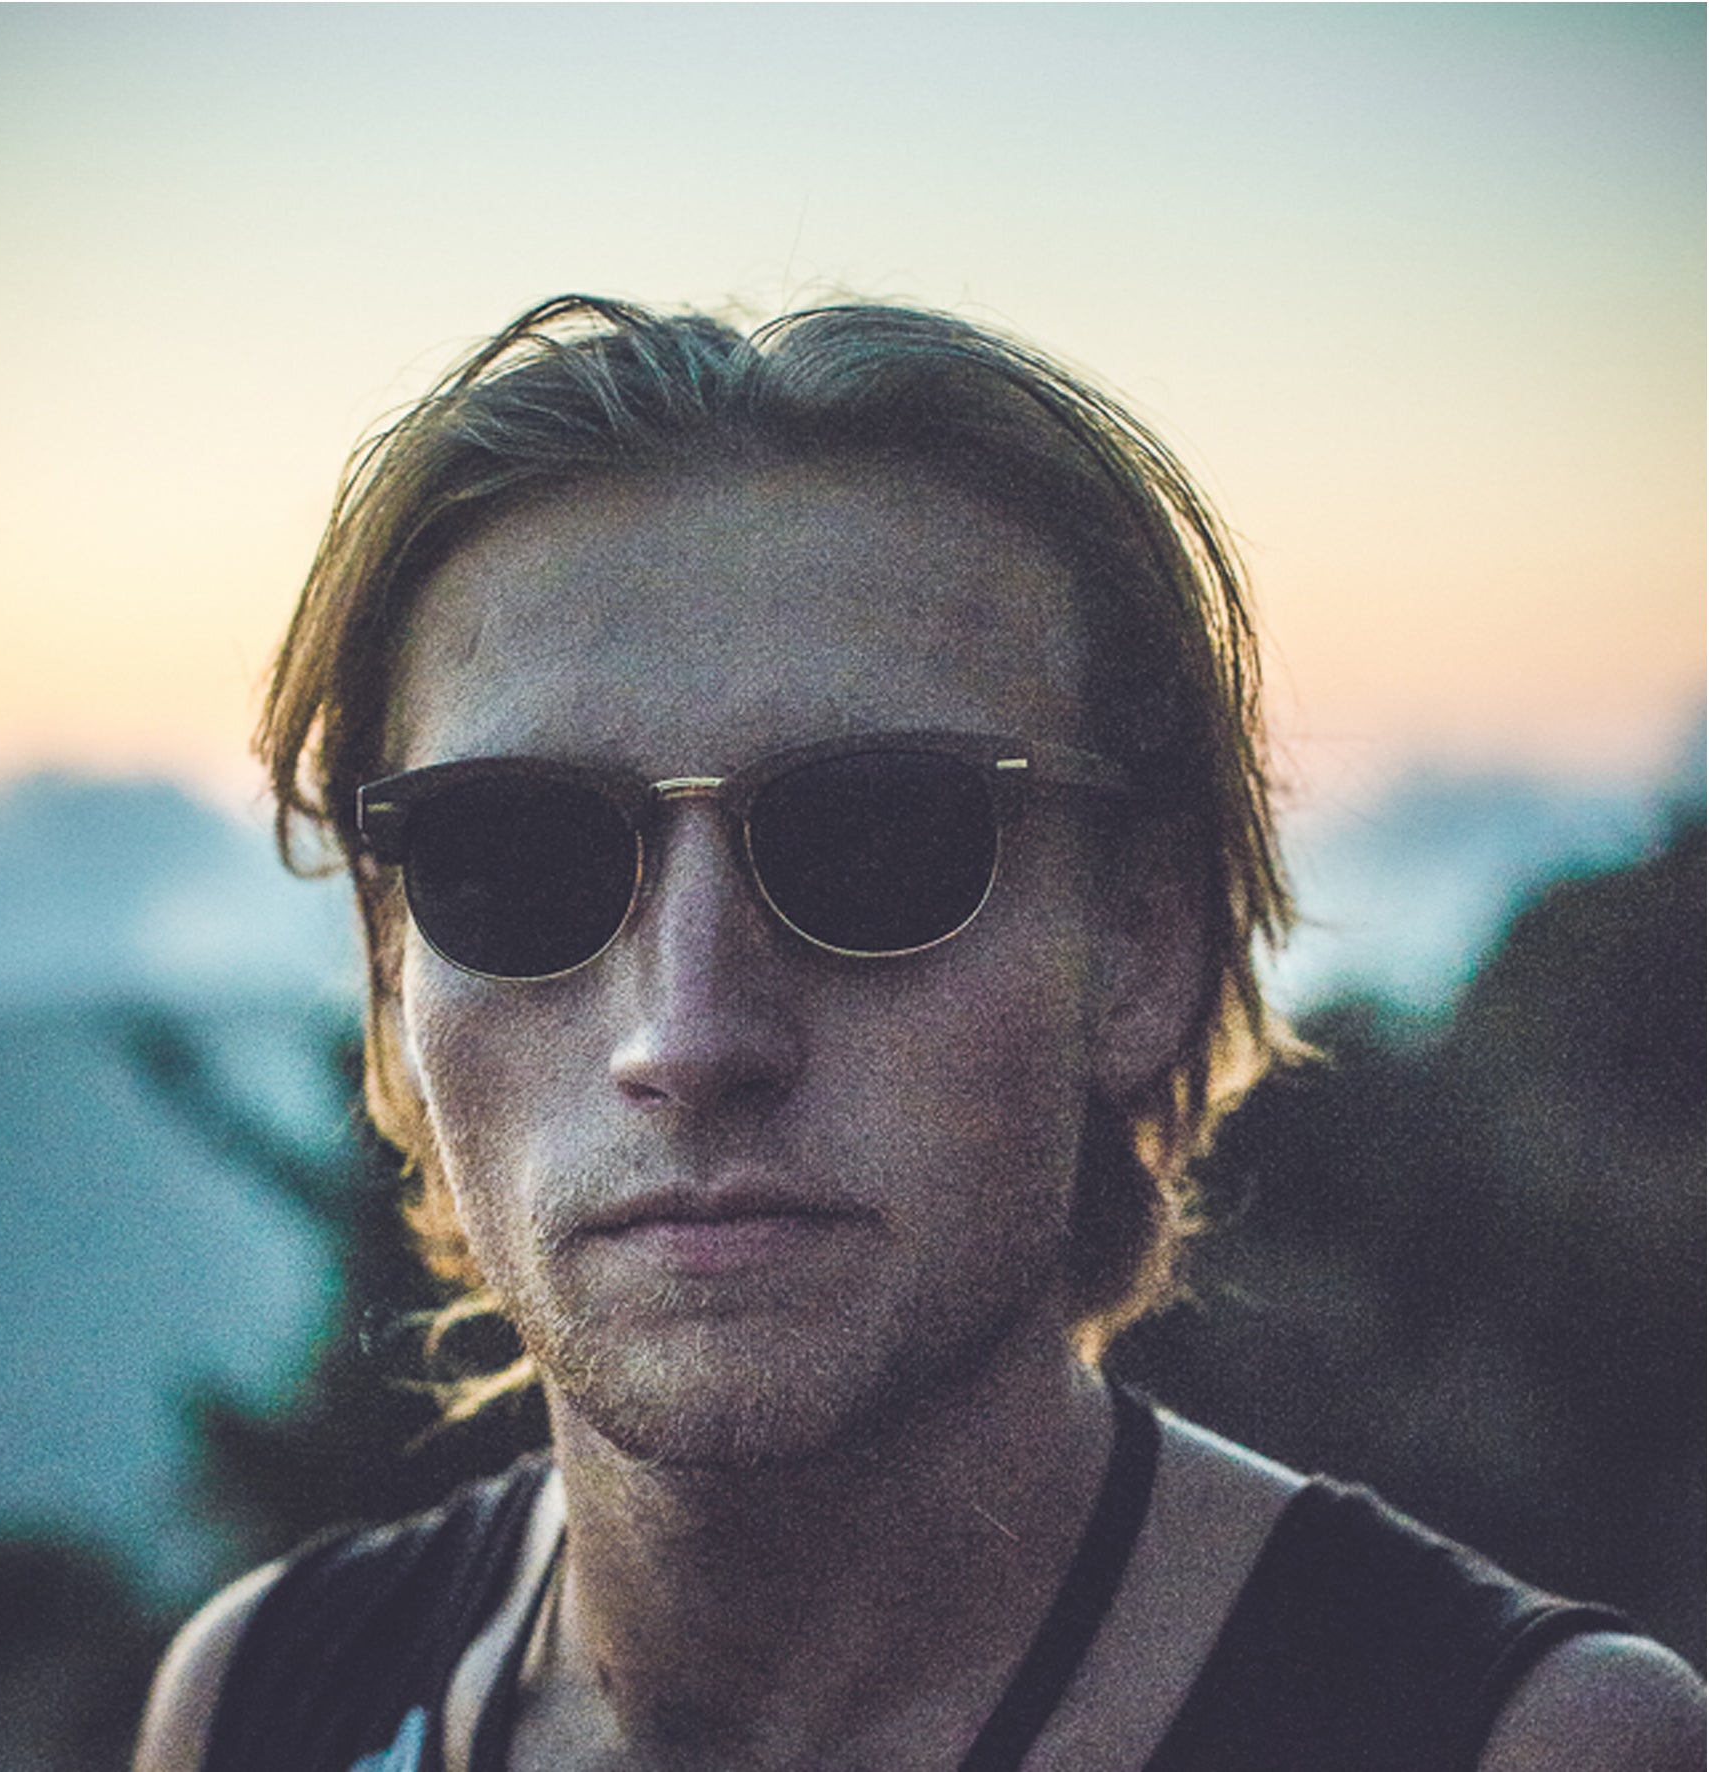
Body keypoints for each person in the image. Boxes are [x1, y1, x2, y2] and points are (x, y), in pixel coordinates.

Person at [135, 296, 1702, 1772]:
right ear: (391, 969)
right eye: (514, 862)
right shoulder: (259, 1703)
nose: (687, 1035)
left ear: (1143, 945)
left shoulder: (1523, 1745)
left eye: (880, 841)